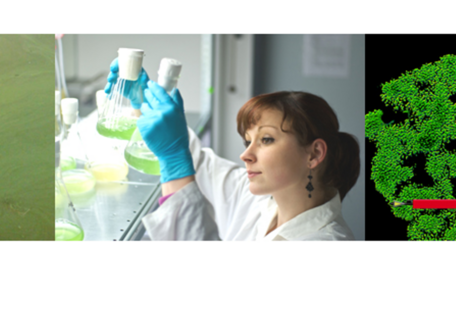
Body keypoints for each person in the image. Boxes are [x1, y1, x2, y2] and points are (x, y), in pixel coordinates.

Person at [105, 59, 360, 241]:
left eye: (267, 139)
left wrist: (174, 156)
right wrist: (143, 105)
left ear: (314, 154)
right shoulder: (259, 200)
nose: (246, 155)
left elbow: (180, 159)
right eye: (247, 141)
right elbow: (197, 162)